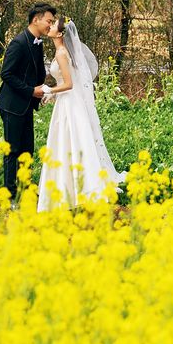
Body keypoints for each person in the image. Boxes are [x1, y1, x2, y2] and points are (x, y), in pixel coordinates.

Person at [37, 16, 125, 211]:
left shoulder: (61, 53)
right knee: (72, 143)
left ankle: (75, 189)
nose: (49, 27)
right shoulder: (64, 52)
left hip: (69, 104)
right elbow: (67, 82)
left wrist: (49, 91)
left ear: (60, 34)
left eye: (53, 26)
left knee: (69, 143)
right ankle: (75, 188)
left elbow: (69, 84)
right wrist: (53, 96)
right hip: (67, 101)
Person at [0, 3, 56, 197]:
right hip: (12, 105)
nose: (51, 25)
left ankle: (25, 188)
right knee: (12, 150)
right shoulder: (19, 42)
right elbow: (6, 74)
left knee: (27, 150)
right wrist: (31, 91)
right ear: (35, 19)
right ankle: (10, 193)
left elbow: (36, 73)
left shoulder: (37, 42)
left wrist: (45, 90)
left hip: (26, 105)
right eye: (49, 21)